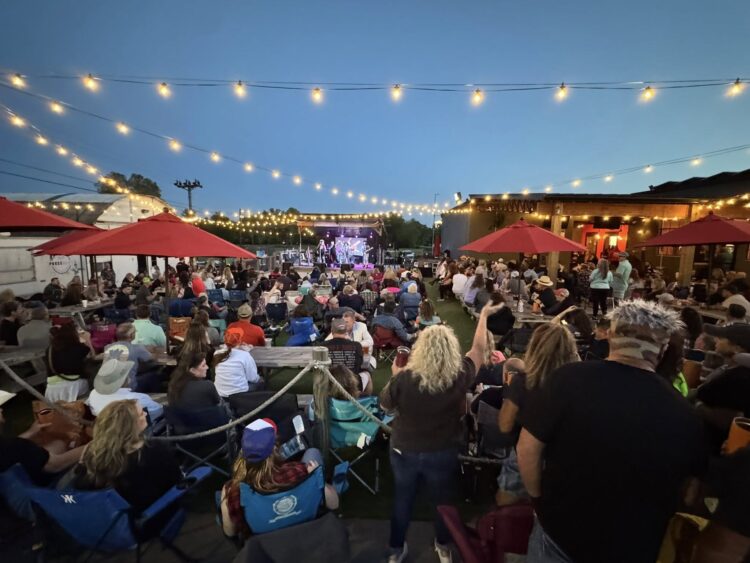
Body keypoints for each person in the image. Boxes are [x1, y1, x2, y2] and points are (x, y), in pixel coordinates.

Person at [517, 300, 707, 563]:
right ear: (662, 349)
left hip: (561, 533)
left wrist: (538, 499)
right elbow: (691, 490)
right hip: (635, 545)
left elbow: (528, 448)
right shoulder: (684, 412)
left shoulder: (568, 379)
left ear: (611, 336)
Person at [381, 303, 503, 563]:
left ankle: (396, 550)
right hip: (442, 449)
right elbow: (478, 349)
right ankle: (443, 545)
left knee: (403, 499)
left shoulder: (404, 378)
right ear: (451, 350)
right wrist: (482, 316)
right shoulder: (459, 376)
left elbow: (385, 406)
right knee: (443, 501)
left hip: (404, 449)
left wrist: (394, 376)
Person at [219, 418, 339, 540]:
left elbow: (230, 532)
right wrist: (316, 476)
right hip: (305, 533)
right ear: (275, 450)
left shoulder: (234, 491)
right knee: (313, 453)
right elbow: (334, 504)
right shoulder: (299, 471)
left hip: (264, 545)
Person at [73, 400, 181, 529]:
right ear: (130, 426)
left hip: (110, 523)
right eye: (141, 413)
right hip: (149, 520)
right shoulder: (156, 449)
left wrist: (81, 463)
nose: (145, 414)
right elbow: (176, 482)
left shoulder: (95, 454)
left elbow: (81, 485)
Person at [0, 390, 85, 486]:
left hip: (13, 485)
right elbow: (56, 465)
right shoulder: (18, 446)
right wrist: (92, 446)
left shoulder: (9, 445)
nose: (1, 409)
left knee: (58, 443)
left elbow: (9, 448)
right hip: (40, 489)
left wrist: (29, 433)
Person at [695, 323, 750, 444]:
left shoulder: (740, 378)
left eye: (721, 338)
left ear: (737, 348)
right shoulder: (730, 368)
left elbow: (728, 419)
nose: (716, 340)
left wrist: (697, 406)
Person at [86, 358, 164, 421]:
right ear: (124, 380)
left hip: (106, 431)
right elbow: (159, 411)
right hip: (139, 432)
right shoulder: (136, 399)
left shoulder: (94, 393)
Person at [322, 319, 372, 395]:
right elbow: (363, 364)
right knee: (367, 374)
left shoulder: (322, 346)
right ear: (346, 331)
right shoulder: (357, 345)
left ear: (332, 331)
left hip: (329, 384)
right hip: (352, 385)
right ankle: (365, 399)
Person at [102, 323, 154, 392]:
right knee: (154, 376)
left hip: (108, 387)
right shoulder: (137, 348)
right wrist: (147, 350)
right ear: (131, 335)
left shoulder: (108, 347)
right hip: (129, 387)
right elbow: (151, 358)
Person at [213, 328, 262, 398]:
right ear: (240, 340)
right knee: (261, 382)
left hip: (220, 392)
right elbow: (253, 378)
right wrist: (260, 378)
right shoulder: (244, 355)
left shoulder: (217, 353)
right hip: (239, 394)